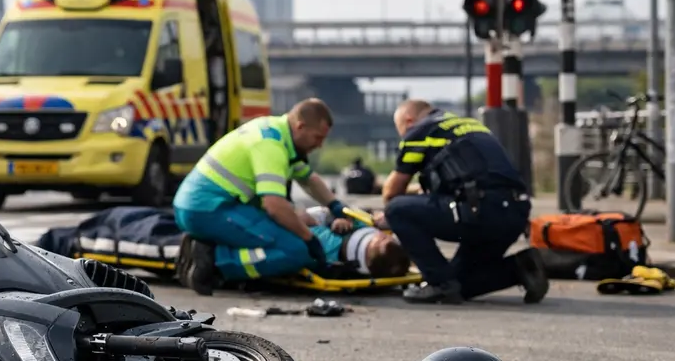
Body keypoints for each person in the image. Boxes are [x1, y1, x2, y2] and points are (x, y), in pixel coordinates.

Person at [380, 99, 549, 305]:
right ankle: (521, 268)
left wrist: (389, 217)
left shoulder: (420, 131)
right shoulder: (471, 126)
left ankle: (439, 285)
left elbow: (391, 193)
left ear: (408, 121)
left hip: (480, 212)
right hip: (514, 213)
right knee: (459, 283)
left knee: (397, 210)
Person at [172, 98, 346, 295]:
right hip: (208, 210)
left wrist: (335, 205)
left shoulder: (278, 135)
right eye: (317, 138)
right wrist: (309, 238)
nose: (320, 145)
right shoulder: (271, 146)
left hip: (205, 206)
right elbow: (274, 205)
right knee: (296, 251)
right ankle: (212, 261)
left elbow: (308, 179)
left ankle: (211, 251)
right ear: (300, 126)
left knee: (289, 238)